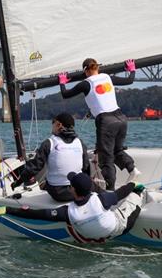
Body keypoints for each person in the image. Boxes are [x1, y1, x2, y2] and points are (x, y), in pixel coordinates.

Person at [0, 172, 144, 243]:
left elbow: (37, 214)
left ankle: (161, 194)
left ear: (74, 190)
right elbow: (121, 193)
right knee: (137, 193)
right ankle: (161, 194)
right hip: (120, 228)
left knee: (130, 196)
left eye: (71, 185)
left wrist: (6, 210)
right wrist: (133, 184)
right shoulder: (101, 199)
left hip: (95, 237)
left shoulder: (68, 212)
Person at [59, 57, 138, 190]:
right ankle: (132, 169)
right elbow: (130, 80)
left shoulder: (86, 83)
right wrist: (132, 70)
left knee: (105, 158)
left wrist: (62, 82)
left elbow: (65, 94)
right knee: (117, 150)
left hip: (106, 121)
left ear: (85, 71)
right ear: (98, 68)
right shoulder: (107, 77)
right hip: (121, 118)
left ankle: (110, 190)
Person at [10, 112, 90, 201]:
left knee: (44, 182)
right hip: (77, 192)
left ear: (59, 124)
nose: (51, 126)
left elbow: (34, 167)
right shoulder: (80, 143)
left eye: (53, 123)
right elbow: (86, 167)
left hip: (58, 194)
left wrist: (18, 182)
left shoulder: (49, 143)